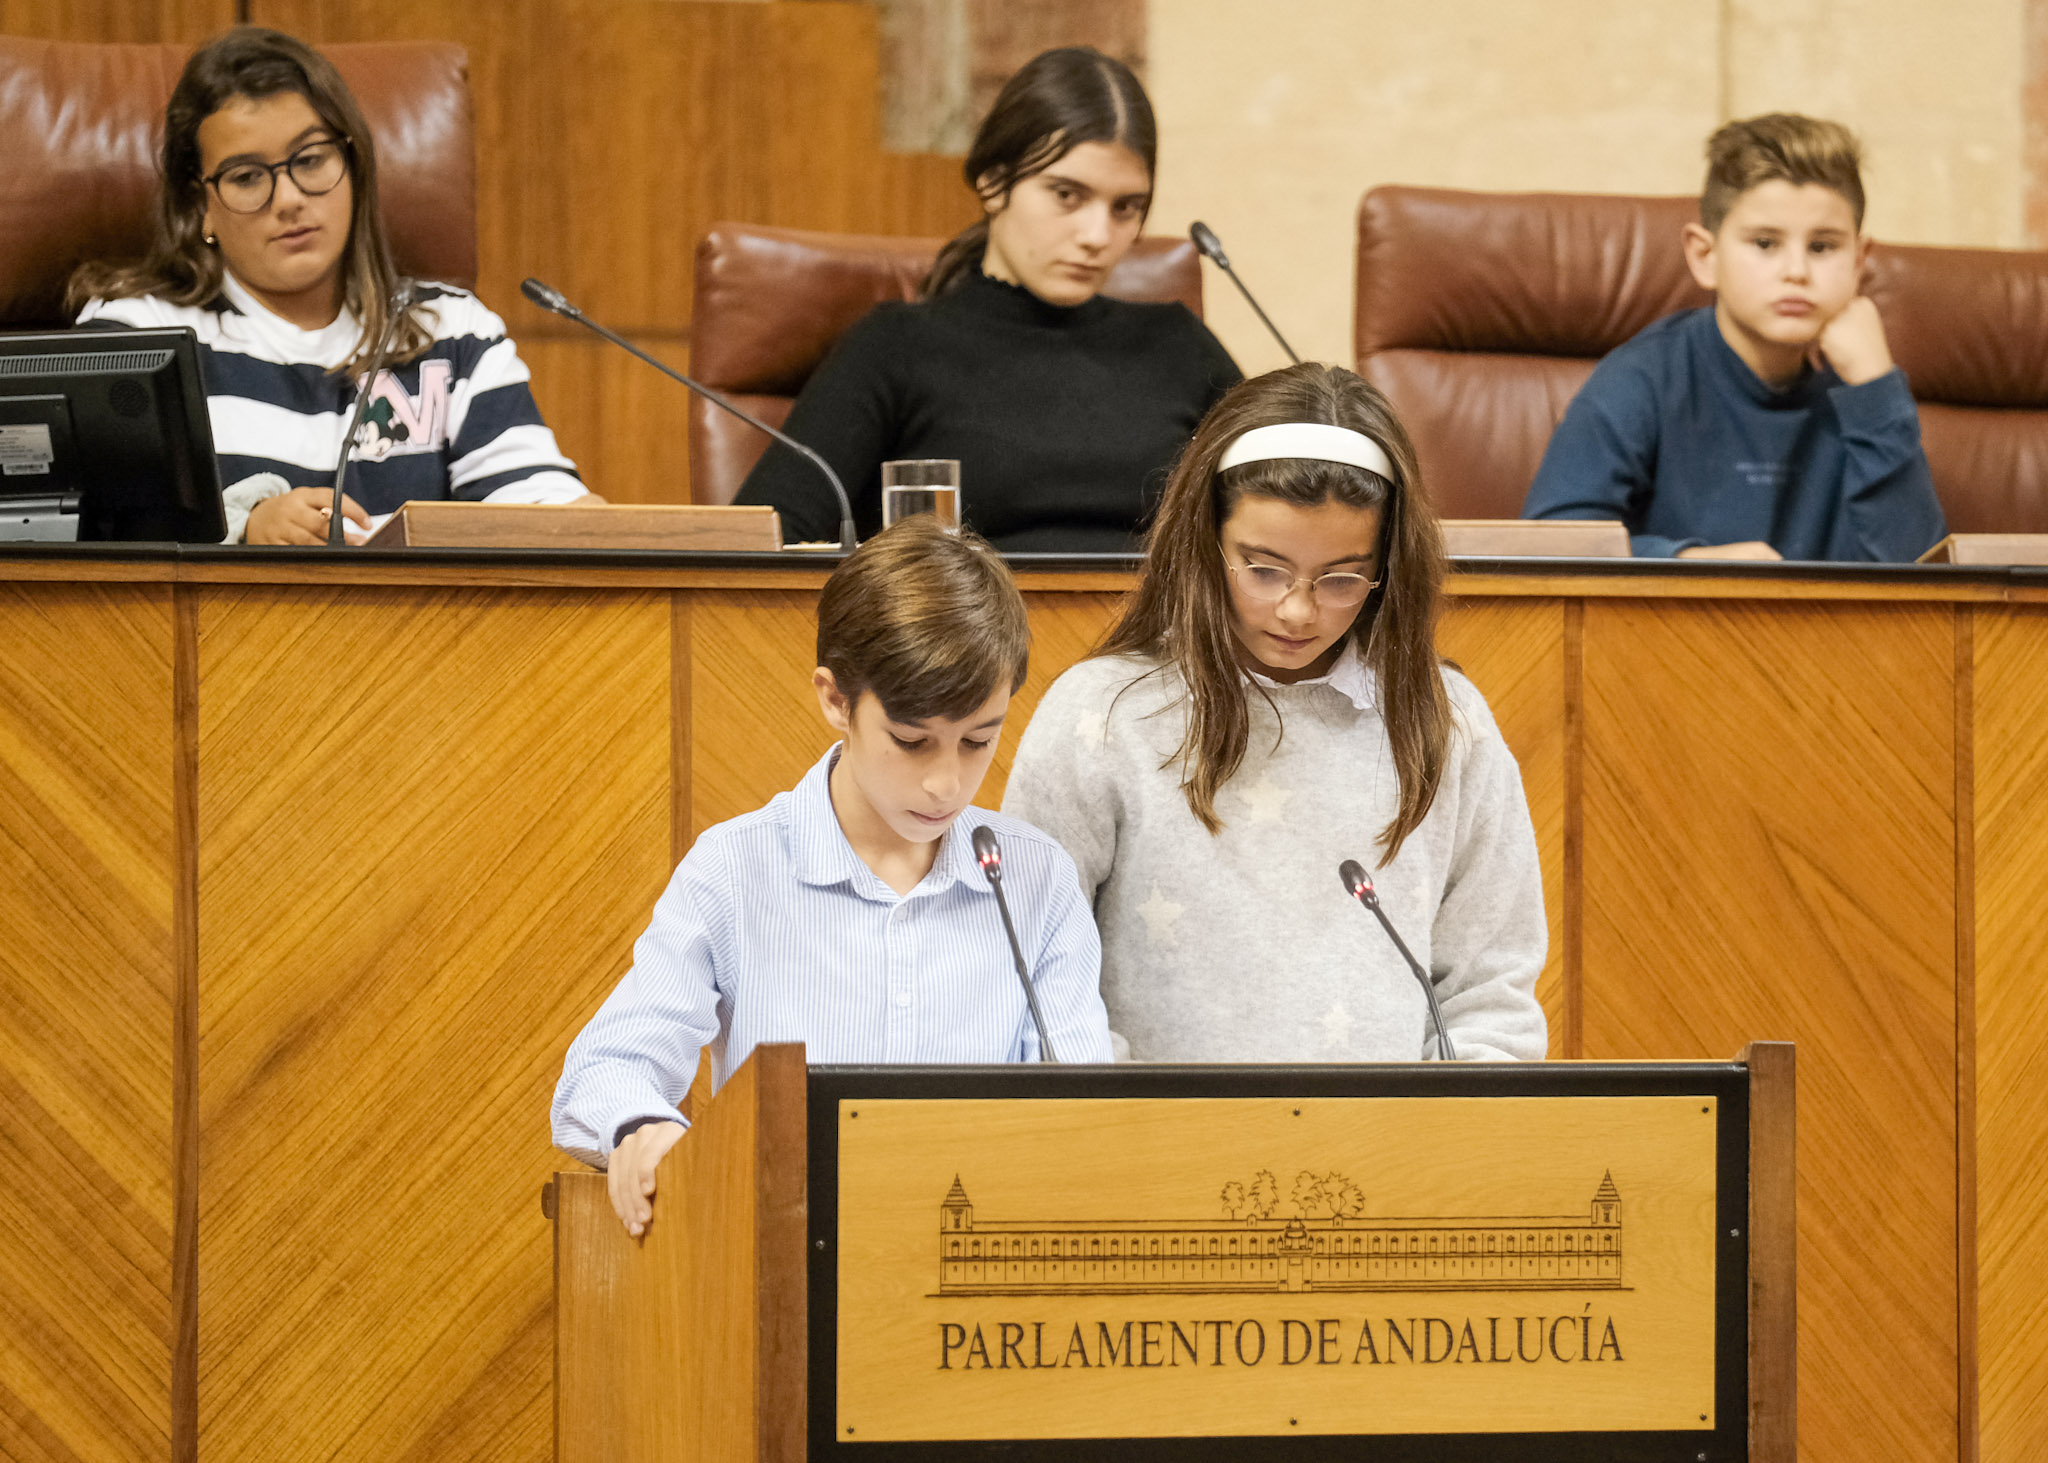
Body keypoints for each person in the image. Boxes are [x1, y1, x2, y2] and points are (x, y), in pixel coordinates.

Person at [552, 515, 1113, 1235]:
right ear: (834, 699)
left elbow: (1085, 1111)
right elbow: (603, 1069)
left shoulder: (1033, 878)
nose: (947, 783)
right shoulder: (737, 868)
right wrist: (640, 1128)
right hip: (784, 1255)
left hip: (975, 1269)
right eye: (912, 741)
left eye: (979, 739)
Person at [1003, 363, 1546, 1064]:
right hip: (1146, 1152)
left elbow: (1490, 996)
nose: (1297, 609)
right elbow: (1034, 980)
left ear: (1388, 569)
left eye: (1342, 578)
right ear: (1206, 543)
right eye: (1263, 569)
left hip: (1392, 1158)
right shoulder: (1102, 715)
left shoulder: (1447, 724)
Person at [68, 26, 593, 545]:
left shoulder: (452, 333)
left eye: (311, 160)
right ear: (200, 204)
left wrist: (587, 527)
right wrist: (245, 529)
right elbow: (100, 541)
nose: (289, 198)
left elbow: (541, 512)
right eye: (247, 176)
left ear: (353, 165)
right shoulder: (139, 339)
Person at [734, 46, 1240, 553]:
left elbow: (1293, 509)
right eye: (1067, 195)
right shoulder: (897, 347)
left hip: (1158, 631)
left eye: (1126, 207)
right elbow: (761, 542)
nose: (1097, 234)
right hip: (966, 631)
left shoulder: (1179, 345)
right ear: (994, 182)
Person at [1521, 113, 1946, 562]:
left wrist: (1876, 388)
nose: (1797, 271)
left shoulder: (1866, 386)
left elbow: (1925, 574)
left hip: (1831, 632)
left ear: (1859, 263)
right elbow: (1551, 544)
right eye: (1765, 243)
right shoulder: (1643, 376)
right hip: (1672, 629)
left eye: (1822, 247)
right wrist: (1686, 564)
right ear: (1705, 255)